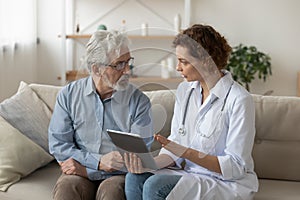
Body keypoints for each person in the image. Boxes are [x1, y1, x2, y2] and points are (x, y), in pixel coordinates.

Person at [124, 24, 258, 200]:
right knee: (134, 178)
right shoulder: (185, 91)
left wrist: (185, 151)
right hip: (189, 174)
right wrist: (150, 164)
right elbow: (176, 143)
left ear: (206, 61)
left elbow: (235, 166)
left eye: (184, 62)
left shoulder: (239, 100)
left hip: (224, 182)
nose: (178, 68)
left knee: (154, 186)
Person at [48, 30, 153, 200]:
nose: (127, 71)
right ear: (96, 68)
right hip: (78, 173)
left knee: (112, 192)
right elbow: (59, 145)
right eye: (119, 64)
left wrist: (87, 169)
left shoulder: (139, 102)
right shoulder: (68, 95)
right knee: (67, 188)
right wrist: (98, 163)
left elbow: (139, 156)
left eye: (128, 62)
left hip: (117, 176)